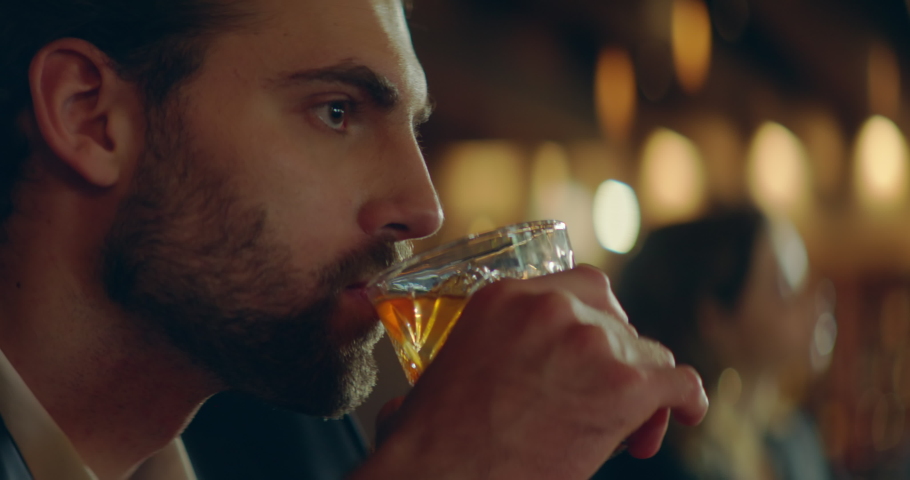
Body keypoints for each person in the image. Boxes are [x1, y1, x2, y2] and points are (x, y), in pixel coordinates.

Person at [0, 0, 709, 478]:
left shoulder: (295, 452)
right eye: (336, 111)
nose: (425, 209)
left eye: (415, 128)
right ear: (89, 117)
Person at [593, 209, 834, 480]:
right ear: (715, 317)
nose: (813, 304)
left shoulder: (795, 442)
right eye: (783, 287)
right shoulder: (653, 461)